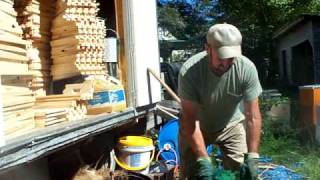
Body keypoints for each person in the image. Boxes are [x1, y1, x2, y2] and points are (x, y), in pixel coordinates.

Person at [178, 23, 262, 179]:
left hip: (230, 124)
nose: (226, 64)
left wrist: (253, 157)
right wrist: (203, 160)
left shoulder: (246, 68)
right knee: (192, 173)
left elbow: (253, 116)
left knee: (241, 172)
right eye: (221, 57)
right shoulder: (190, 71)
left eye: (231, 58)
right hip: (197, 126)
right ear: (208, 49)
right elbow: (190, 121)